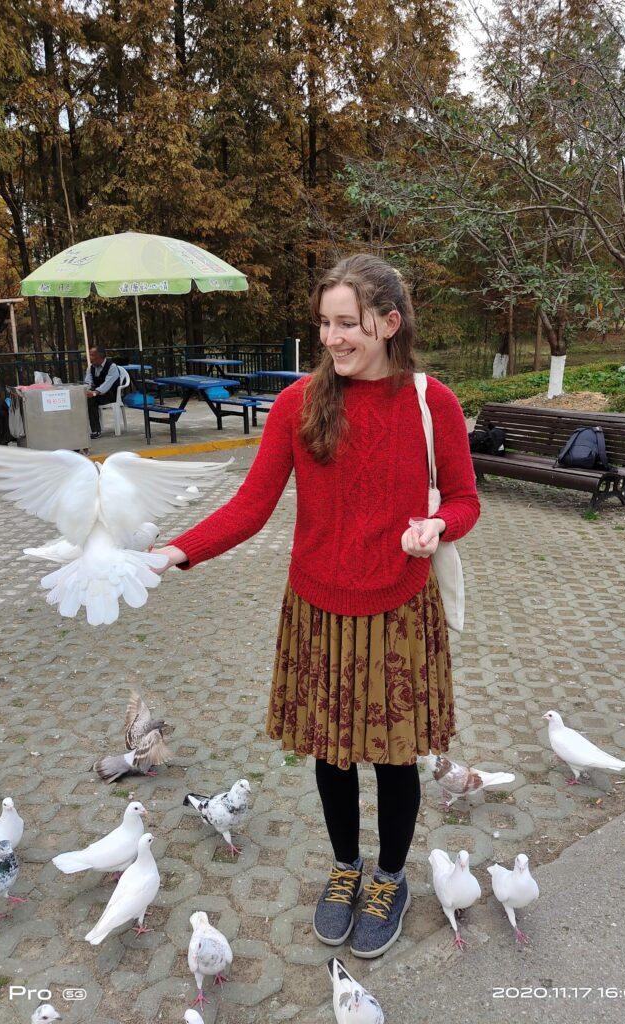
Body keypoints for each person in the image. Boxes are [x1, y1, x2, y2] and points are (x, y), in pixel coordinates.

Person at [155, 254, 480, 959]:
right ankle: (345, 868)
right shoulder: (298, 404)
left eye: (348, 324)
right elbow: (250, 505)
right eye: (324, 323)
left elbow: (464, 498)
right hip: (318, 611)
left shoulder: (434, 404)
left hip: (397, 608)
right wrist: (175, 551)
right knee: (333, 756)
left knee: (393, 759)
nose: (332, 338)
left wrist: (439, 526)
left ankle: (390, 878)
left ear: (390, 324)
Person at [84, 345, 121, 439]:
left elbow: (107, 385)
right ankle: (86, 429)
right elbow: (88, 381)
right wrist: (87, 389)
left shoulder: (112, 367)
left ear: (100, 356)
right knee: (86, 398)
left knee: (91, 399)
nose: (90, 357)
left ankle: (96, 430)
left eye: (92, 355)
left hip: (111, 394)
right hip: (97, 394)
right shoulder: (91, 367)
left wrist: (94, 393)